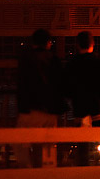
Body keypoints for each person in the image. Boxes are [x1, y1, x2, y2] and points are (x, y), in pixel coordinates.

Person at [15, 29, 66, 169]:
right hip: (49, 110)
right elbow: (60, 84)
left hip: (29, 109)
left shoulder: (25, 58)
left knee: (22, 144)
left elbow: (21, 83)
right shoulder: (53, 59)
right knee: (47, 146)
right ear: (48, 43)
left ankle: (27, 174)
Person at [65, 31, 100, 166]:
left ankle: (83, 176)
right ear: (93, 44)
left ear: (77, 45)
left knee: (82, 147)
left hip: (80, 109)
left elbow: (67, 89)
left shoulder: (72, 64)